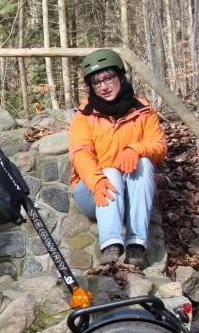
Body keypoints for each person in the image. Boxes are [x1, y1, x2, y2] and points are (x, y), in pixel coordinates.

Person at [68, 48, 167, 269]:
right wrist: (96, 180)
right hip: (94, 192)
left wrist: (136, 148)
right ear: (91, 87)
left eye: (108, 78)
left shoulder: (142, 110)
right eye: (96, 82)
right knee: (110, 171)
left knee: (143, 162)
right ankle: (111, 245)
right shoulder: (84, 116)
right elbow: (80, 153)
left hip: (130, 190)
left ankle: (136, 245)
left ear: (120, 77)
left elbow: (159, 146)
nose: (104, 86)